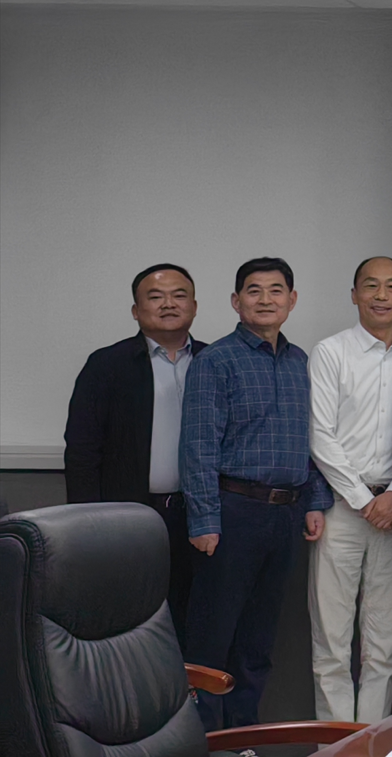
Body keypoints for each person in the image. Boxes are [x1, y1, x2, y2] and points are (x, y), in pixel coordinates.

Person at [179, 257, 332, 729]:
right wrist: (204, 520)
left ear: (292, 300)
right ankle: (202, 744)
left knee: (258, 640)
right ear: (235, 301)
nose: (266, 300)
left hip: (286, 515)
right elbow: (198, 446)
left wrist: (315, 501)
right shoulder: (215, 361)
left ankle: (243, 741)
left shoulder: (300, 361)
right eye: (254, 290)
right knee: (212, 638)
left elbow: (312, 440)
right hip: (233, 512)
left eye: (276, 290)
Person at [306, 257, 392, 723]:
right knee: (332, 642)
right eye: (370, 286)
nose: (381, 295)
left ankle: (371, 744)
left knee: (383, 642)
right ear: (354, 294)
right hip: (342, 509)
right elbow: (320, 435)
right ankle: (334, 749)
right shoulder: (330, 352)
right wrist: (362, 498)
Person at [64, 263, 209, 630]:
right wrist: (87, 522)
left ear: (194, 306)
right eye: (155, 296)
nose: (168, 304)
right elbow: (82, 450)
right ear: (135, 310)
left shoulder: (215, 361)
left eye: (179, 296)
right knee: (130, 617)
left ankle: (187, 672)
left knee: (196, 616)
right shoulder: (107, 365)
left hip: (201, 517)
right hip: (129, 515)